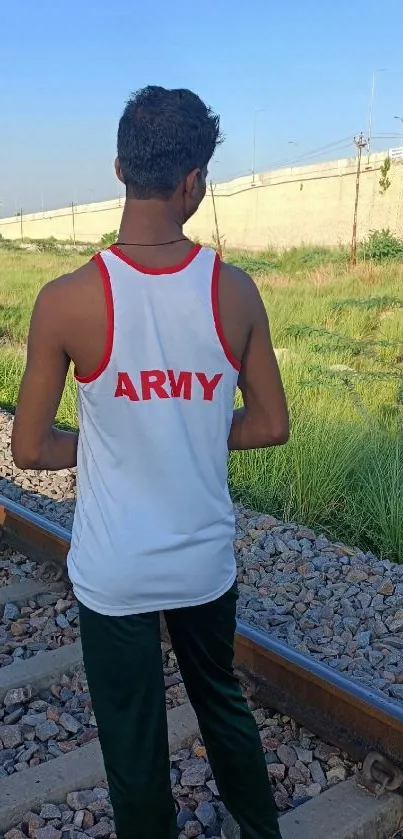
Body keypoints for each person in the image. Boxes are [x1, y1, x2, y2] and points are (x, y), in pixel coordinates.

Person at [12, 86, 289, 839]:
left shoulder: (66, 301)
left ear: (117, 168)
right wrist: (188, 424)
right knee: (221, 703)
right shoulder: (233, 291)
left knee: (133, 748)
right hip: (203, 564)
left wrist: (121, 434)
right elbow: (268, 425)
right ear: (193, 180)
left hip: (114, 572)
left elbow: (29, 448)